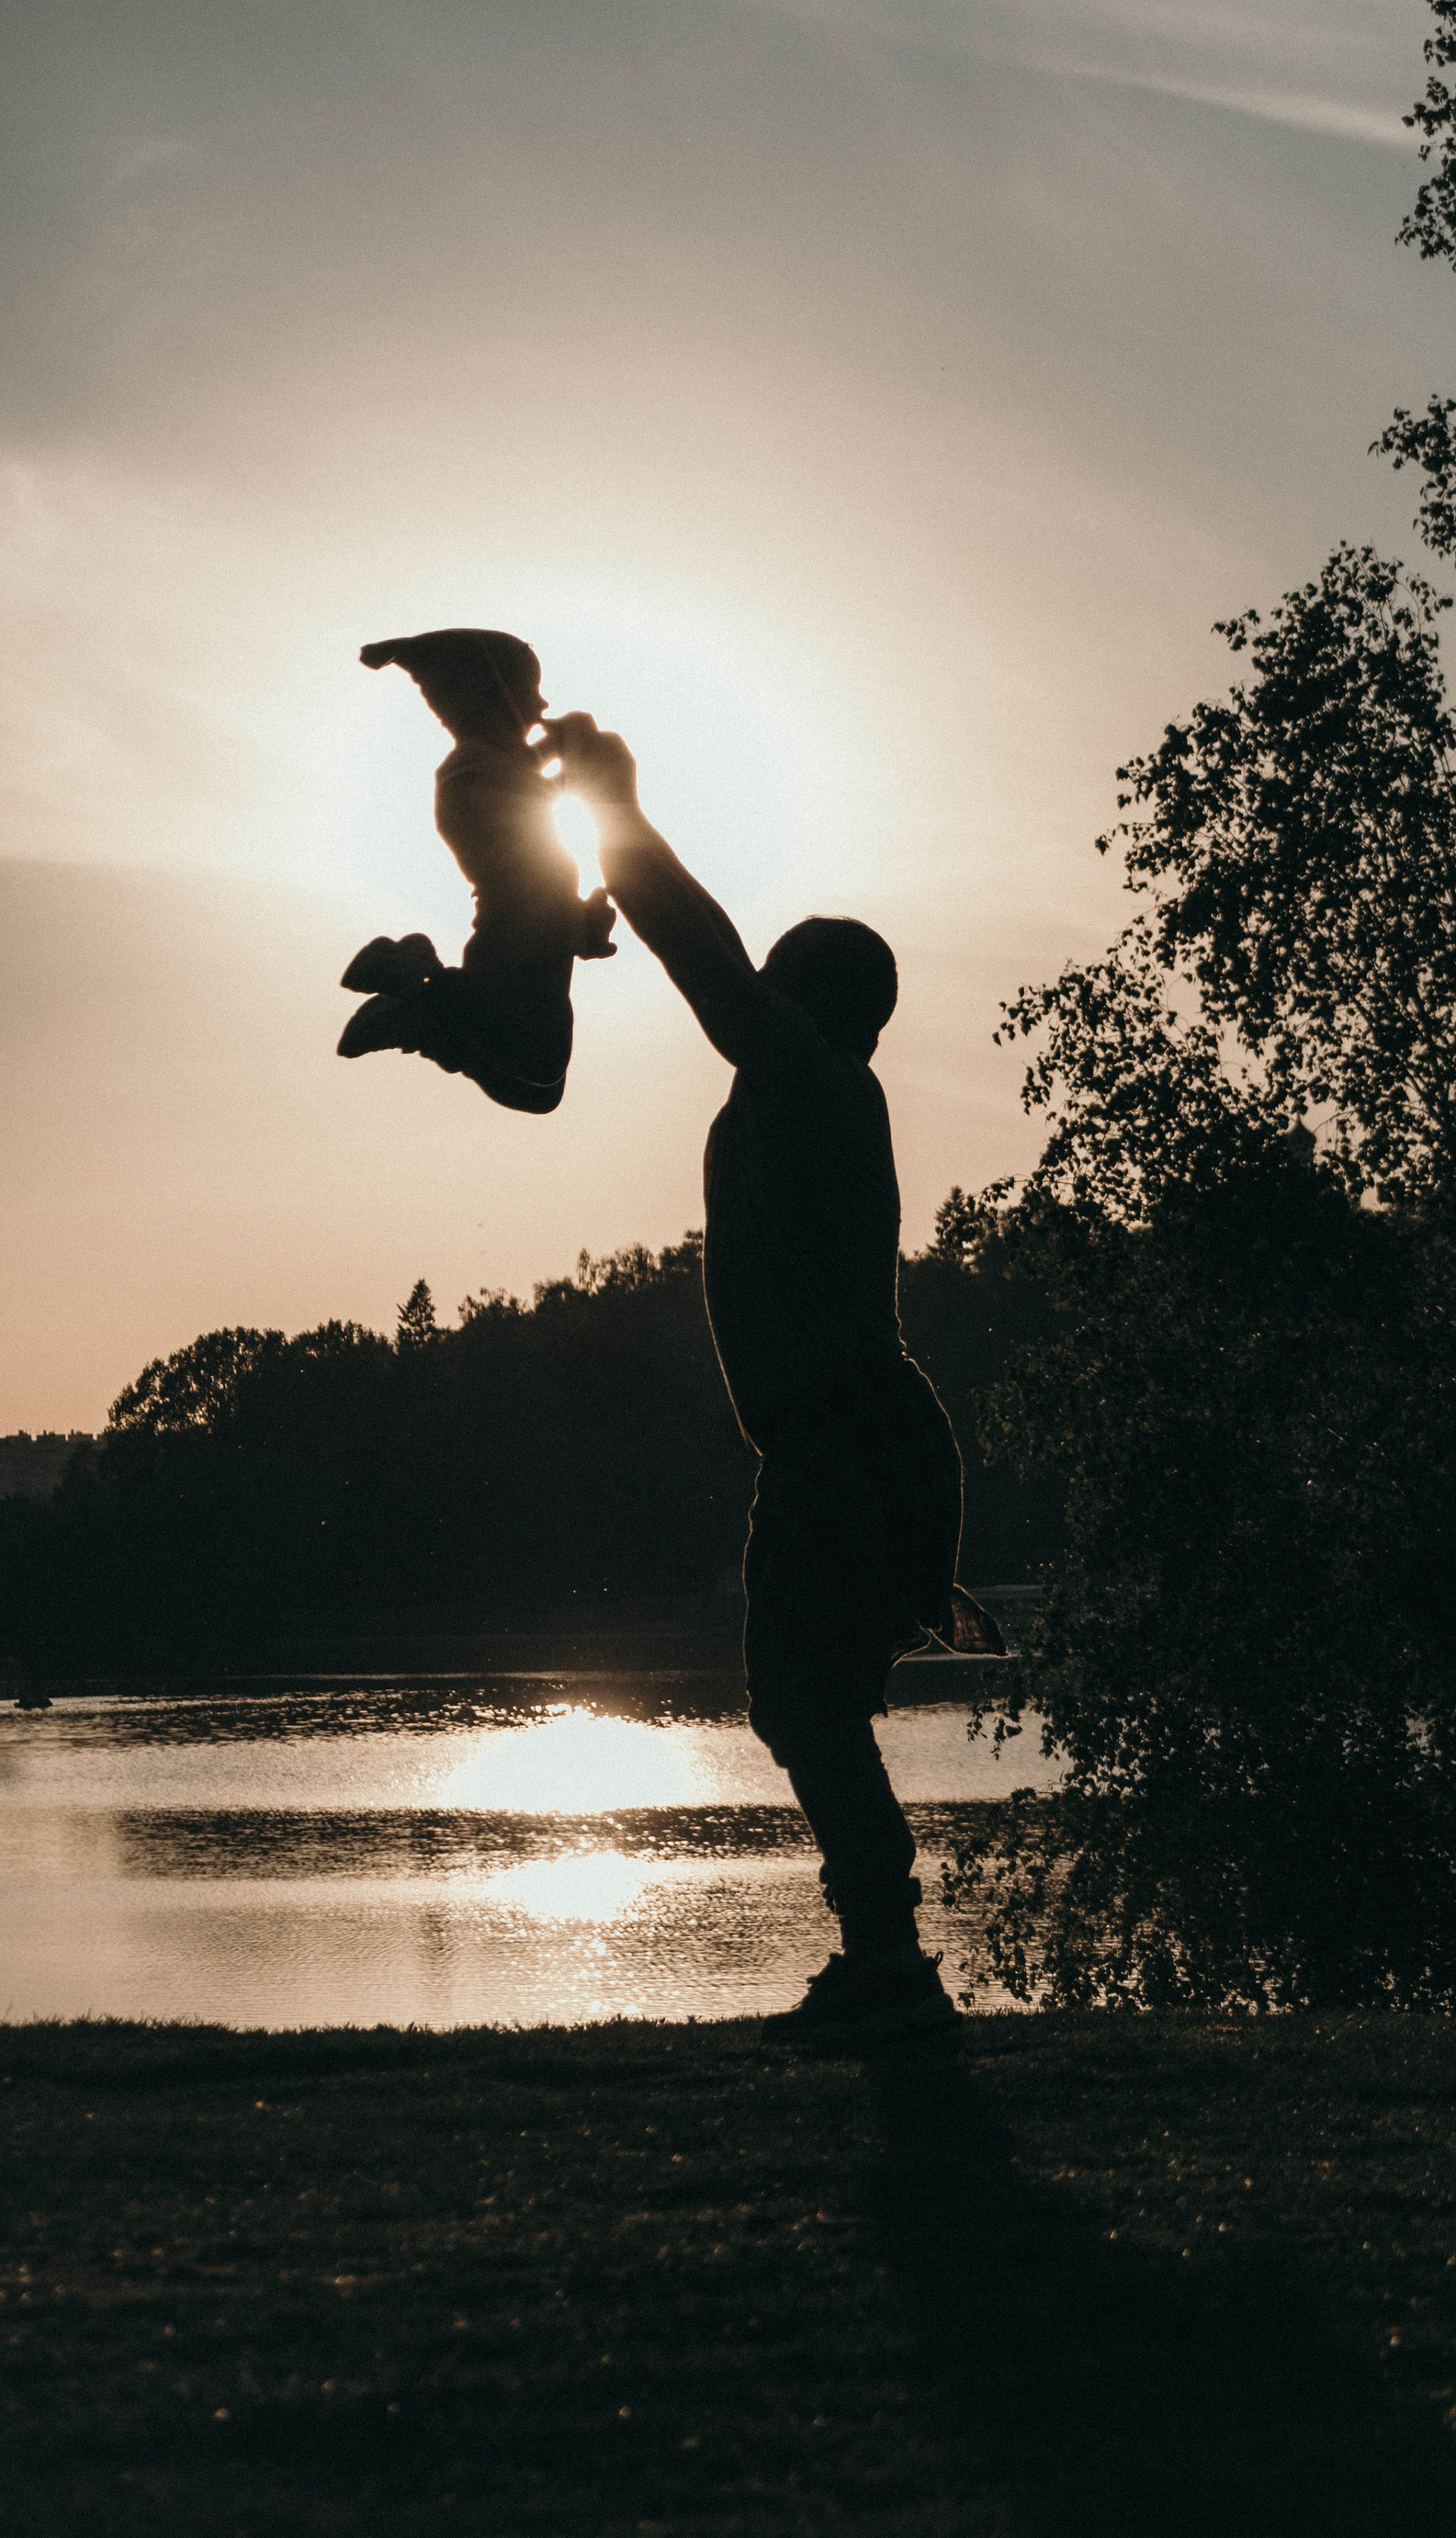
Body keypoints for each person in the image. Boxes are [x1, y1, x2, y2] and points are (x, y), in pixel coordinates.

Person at [546, 704, 1001, 2041]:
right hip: (840, 1436)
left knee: (803, 1703)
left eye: (783, 974)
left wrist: (617, 816)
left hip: (852, 1430)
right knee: (805, 1706)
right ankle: (884, 1961)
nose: (763, 988)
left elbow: (709, 966)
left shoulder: (809, 1076)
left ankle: (889, 1967)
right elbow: (705, 964)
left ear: (818, 999)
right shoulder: (803, 1093)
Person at [338, 630, 617, 1117]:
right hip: (511, 947)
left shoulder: (498, 768)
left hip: (532, 946)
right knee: (532, 1064)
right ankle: (418, 981)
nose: (541, 703)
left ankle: (423, 1018)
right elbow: (519, 864)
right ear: (487, 696)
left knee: (537, 1090)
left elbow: (538, 874)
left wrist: (582, 926)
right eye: (529, 692)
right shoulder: (471, 769)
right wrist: (567, 763)